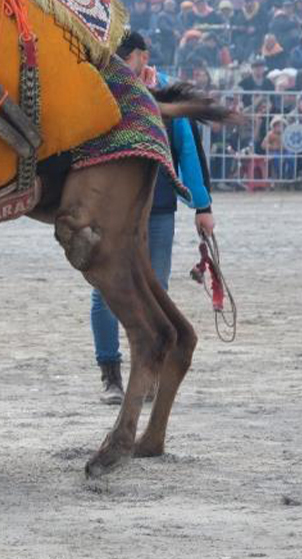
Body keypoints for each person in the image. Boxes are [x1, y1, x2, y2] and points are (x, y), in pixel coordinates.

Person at [90, 31, 215, 405]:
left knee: (155, 291)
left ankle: (147, 371)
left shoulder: (164, 96)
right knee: (105, 291)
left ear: (142, 57)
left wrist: (202, 207)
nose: (120, 64)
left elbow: (188, 153)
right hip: (111, 209)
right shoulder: (101, 91)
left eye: (126, 57)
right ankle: (110, 373)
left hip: (159, 205)